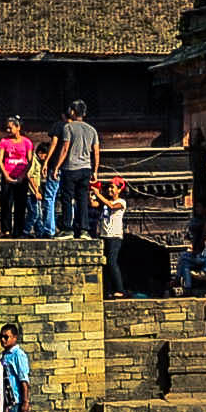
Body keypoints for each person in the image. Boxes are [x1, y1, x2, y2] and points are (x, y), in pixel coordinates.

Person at [53, 100, 100, 236]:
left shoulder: (68, 127)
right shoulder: (92, 130)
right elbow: (96, 152)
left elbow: (65, 148)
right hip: (86, 168)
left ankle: (68, 228)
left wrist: (56, 167)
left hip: (70, 168)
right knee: (83, 198)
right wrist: (95, 171)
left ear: (72, 112)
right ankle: (84, 229)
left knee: (67, 198)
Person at [0, 118, 35, 236]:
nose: (8, 130)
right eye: (7, 127)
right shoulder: (4, 142)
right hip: (8, 175)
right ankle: (6, 230)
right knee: (6, 203)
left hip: (21, 177)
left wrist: (23, 175)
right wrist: (6, 175)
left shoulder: (27, 142)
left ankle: (19, 230)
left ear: (18, 128)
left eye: (10, 127)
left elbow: (30, 161)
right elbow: (0, 159)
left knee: (20, 204)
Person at [95, 175, 129, 292]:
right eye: (109, 187)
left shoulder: (121, 202)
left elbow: (112, 206)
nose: (110, 190)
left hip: (115, 237)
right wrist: (92, 192)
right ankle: (108, 290)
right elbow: (93, 204)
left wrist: (99, 195)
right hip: (104, 235)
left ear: (119, 190)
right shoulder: (105, 202)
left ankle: (120, 290)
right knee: (104, 264)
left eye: (112, 187)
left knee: (112, 262)